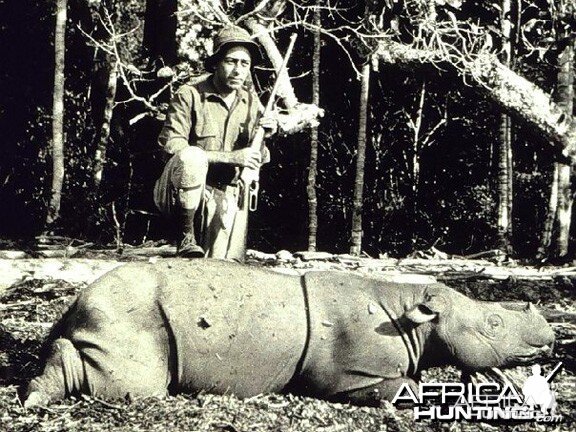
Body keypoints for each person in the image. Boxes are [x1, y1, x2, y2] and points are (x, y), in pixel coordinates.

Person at [154, 26, 277, 259]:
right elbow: (172, 146)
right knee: (193, 157)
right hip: (180, 194)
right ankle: (184, 236)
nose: (238, 70)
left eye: (244, 64)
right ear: (216, 63)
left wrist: (266, 136)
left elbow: (256, 157)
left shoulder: (251, 102)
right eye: (231, 61)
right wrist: (230, 157)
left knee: (223, 273)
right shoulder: (188, 94)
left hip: (226, 195)